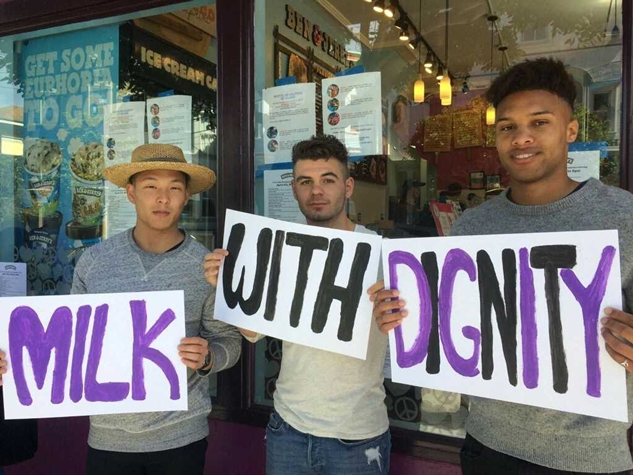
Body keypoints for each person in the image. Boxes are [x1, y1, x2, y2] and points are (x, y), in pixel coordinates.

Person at [372, 57, 633, 474]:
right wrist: (402, 316)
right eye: (507, 127)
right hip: (485, 446)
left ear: (571, 131)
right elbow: (447, 324)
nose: (521, 138)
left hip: (588, 459)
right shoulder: (473, 227)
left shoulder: (625, 218)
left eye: (540, 122)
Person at [0, 144, 242, 474]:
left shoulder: (208, 268)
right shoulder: (95, 262)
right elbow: (69, 343)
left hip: (181, 438)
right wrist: (15, 360)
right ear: (131, 193)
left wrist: (209, 358)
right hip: (107, 438)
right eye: (151, 186)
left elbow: (229, 341)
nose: (162, 198)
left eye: (174, 188)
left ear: (187, 196)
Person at [204, 135, 390, 474]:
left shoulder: (382, 256)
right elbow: (252, 332)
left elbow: (410, 338)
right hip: (288, 429)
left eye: (327, 180)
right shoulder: (279, 250)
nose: (316, 190)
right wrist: (226, 287)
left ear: (348, 187)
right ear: (294, 189)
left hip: (358, 435)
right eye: (305, 181)